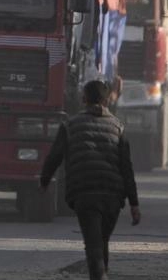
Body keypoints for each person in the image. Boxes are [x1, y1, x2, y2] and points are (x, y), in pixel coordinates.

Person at [39, 80, 140, 280]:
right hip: (112, 196)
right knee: (101, 242)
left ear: (84, 99)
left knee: (94, 245)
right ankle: (102, 275)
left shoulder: (70, 125)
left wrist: (44, 181)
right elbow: (126, 168)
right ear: (107, 101)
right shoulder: (118, 128)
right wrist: (134, 204)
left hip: (84, 193)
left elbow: (54, 157)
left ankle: (100, 276)